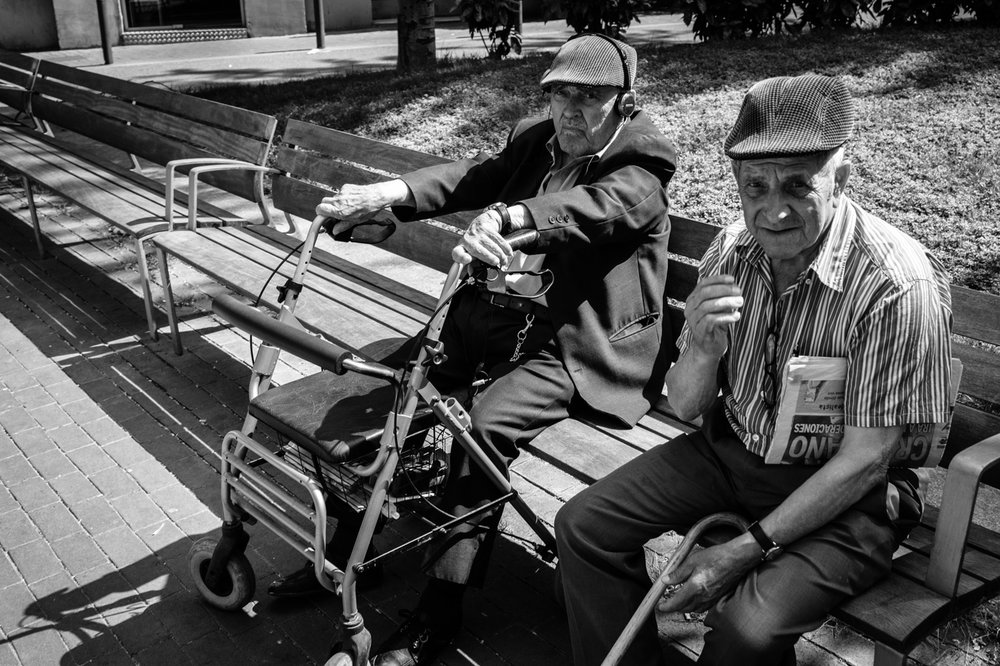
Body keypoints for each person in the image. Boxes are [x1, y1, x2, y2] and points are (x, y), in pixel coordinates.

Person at [267, 34, 678, 666]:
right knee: (376, 387)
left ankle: (439, 612)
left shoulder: (641, 166)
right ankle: (352, 551)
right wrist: (387, 194)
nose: (568, 111)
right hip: (488, 318)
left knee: (477, 430)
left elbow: (590, 209)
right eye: (559, 93)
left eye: (588, 97)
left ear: (623, 102)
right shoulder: (538, 138)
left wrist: (510, 220)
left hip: (569, 343)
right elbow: (469, 178)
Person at [554, 73, 953, 665]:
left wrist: (745, 549)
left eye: (798, 185)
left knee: (747, 628)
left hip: (851, 495)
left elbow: (867, 461)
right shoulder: (733, 249)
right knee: (584, 527)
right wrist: (704, 348)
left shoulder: (895, 285)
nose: (775, 210)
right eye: (755, 187)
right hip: (732, 453)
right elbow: (686, 407)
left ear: (840, 179)